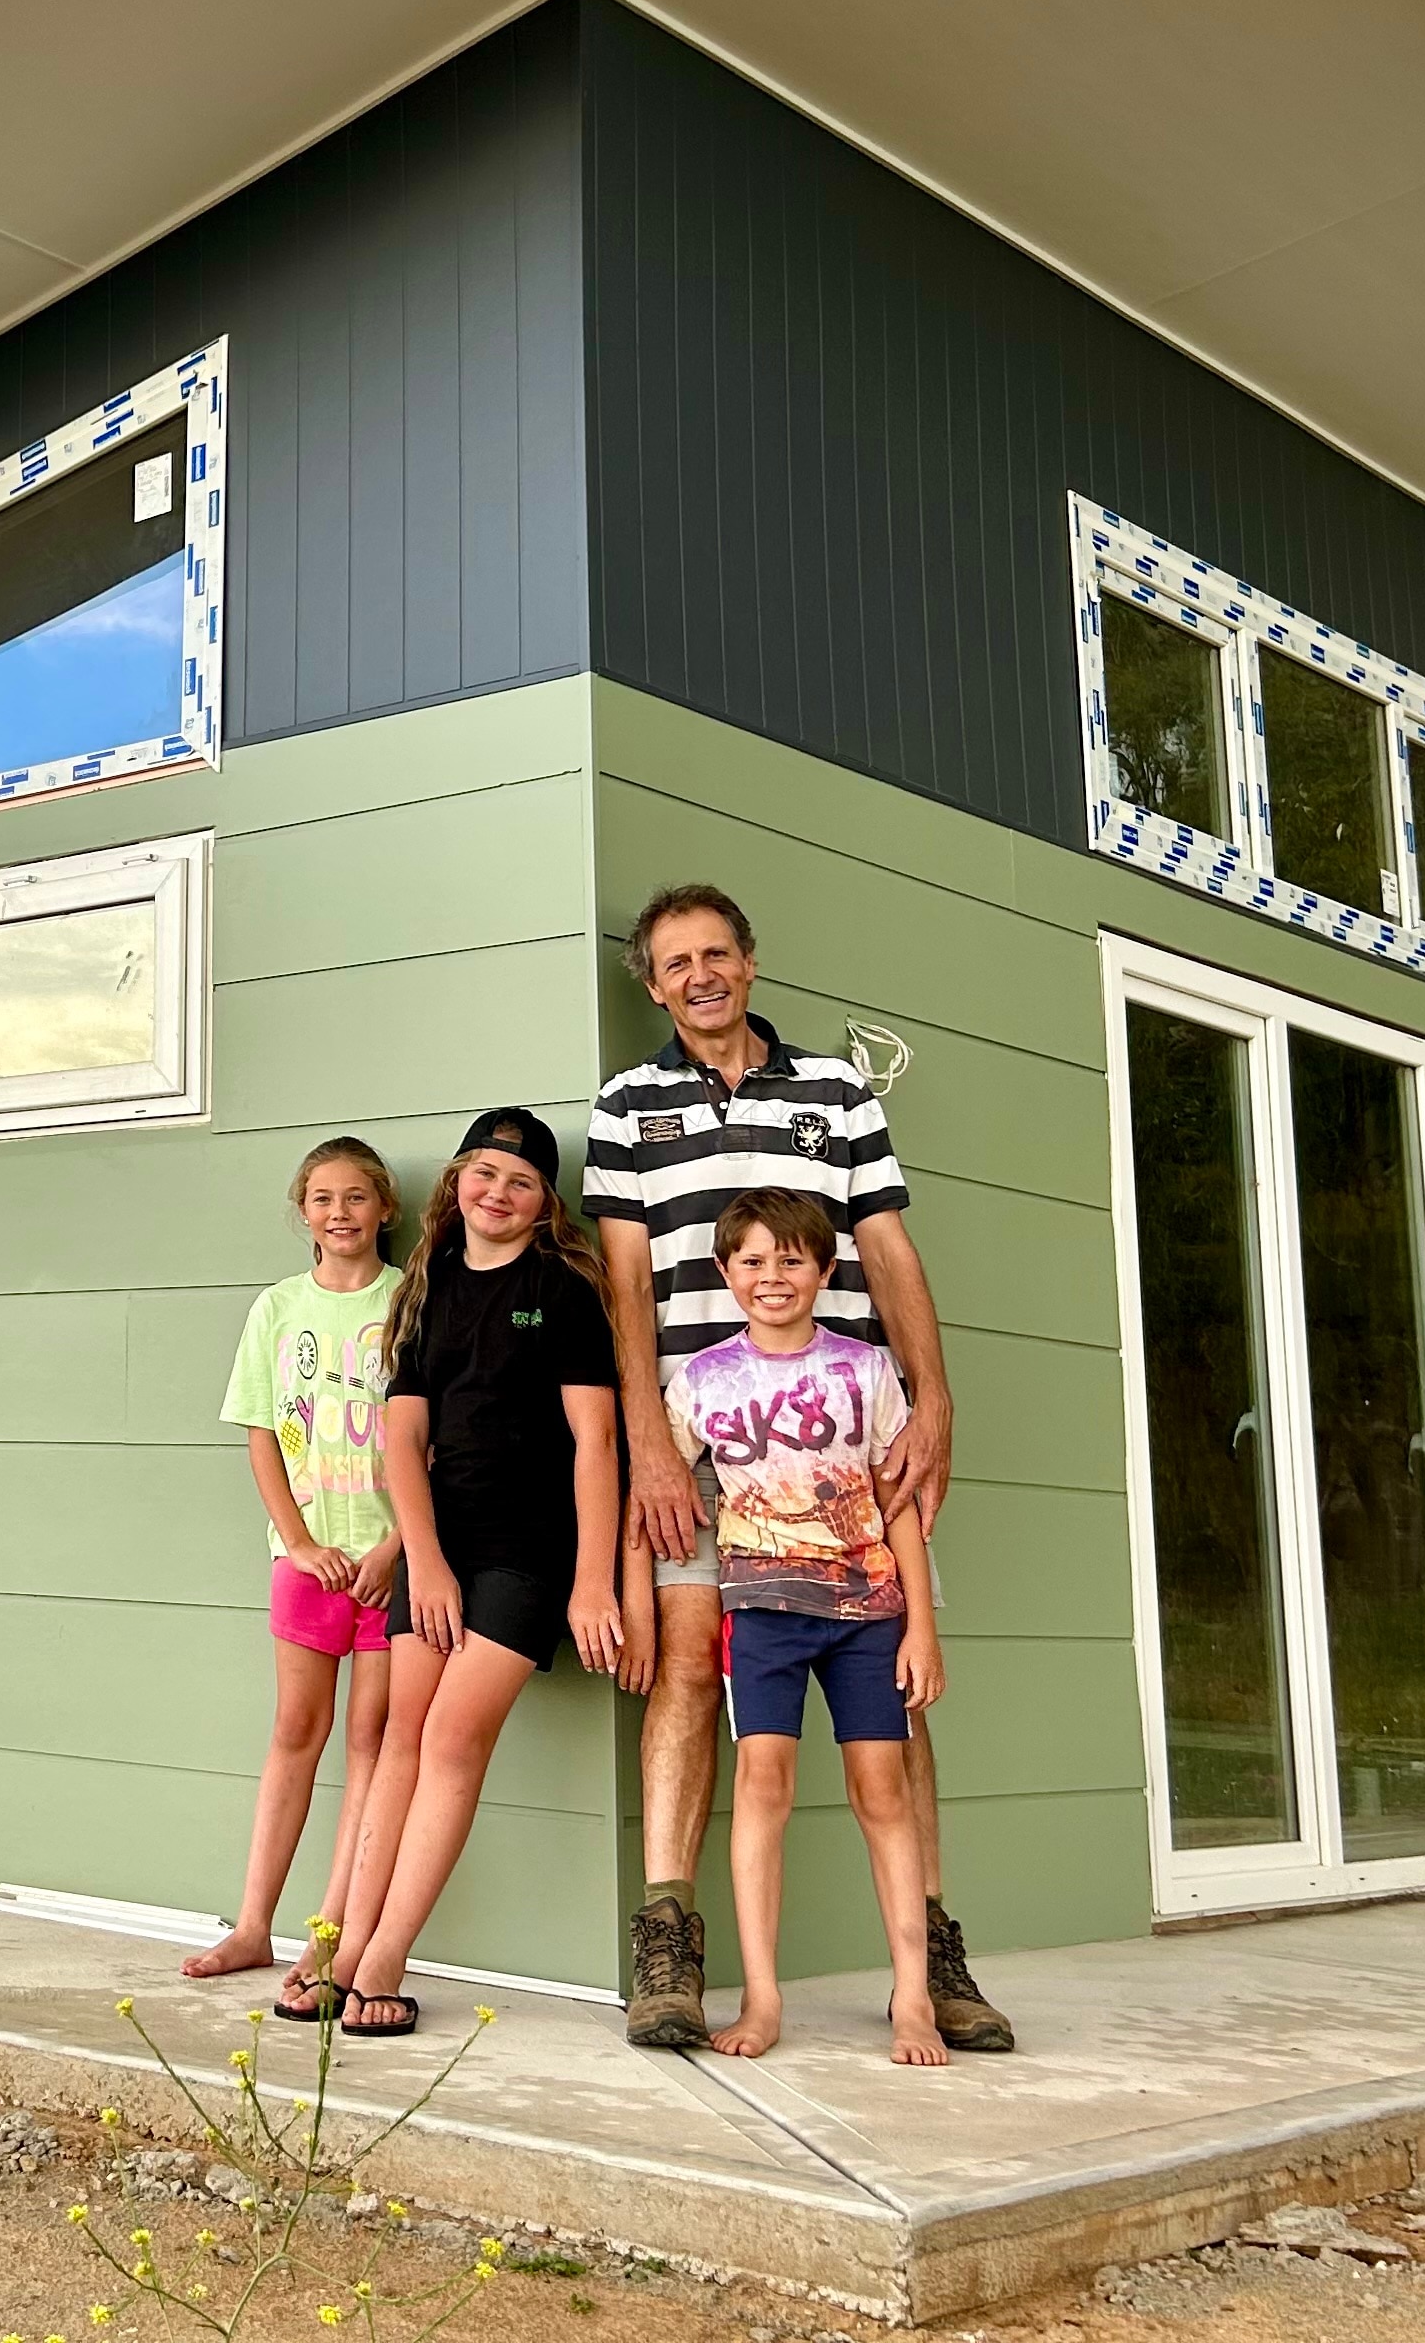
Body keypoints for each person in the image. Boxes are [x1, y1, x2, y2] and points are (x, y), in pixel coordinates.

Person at [586, 881, 1012, 2055]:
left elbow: (886, 1247)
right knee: (685, 1666)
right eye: (675, 964)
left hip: (840, 1443)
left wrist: (933, 1400)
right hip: (698, 1441)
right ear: (653, 984)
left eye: (717, 952)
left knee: (896, 1689)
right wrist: (653, 1448)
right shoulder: (627, 1109)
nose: (700, 976)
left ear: (751, 961)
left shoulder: (834, 1091)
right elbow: (624, 1285)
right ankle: (670, 1946)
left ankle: (928, 1949)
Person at [318, 1111, 629, 2040]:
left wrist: (593, 1582)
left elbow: (595, 1441)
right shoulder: (429, 1286)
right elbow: (402, 1440)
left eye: (520, 1181)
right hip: (438, 1548)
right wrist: (427, 1561)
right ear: (457, 1183)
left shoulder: (563, 1287)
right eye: (483, 1174)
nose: (497, 1192)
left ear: (545, 1203)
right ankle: (341, 1947)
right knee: (400, 1735)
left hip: (531, 1550)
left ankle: (384, 1957)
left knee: (453, 1738)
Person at [663, 1188, 949, 2066]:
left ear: (827, 1270)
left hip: (869, 1613)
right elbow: (667, 1496)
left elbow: (896, 1497)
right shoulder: (700, 1380)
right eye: (751, 1261)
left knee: (885, 1792)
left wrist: (922, 1628)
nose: (772, 1276)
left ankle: (914, 1996)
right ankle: (761, 1996)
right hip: (760, 1616)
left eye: (792, 1260)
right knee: (763, 1788)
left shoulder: (865, 1369)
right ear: (724, 1273)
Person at [181, 1136, 408, 2013]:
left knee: (373, 1745)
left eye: (356, 1197)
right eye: (322, 1198)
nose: (340, 1212)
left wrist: (396, 1548)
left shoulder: (410, 1303)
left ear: (385, 1207)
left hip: (392, 1564)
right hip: (306, 1561)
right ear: (303, 1212)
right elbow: (262, 1435)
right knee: (295, 1733)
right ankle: (251, 1923)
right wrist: (300, 1539)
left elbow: (435, 1438)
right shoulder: (278, 1308)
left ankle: (331, 1936)